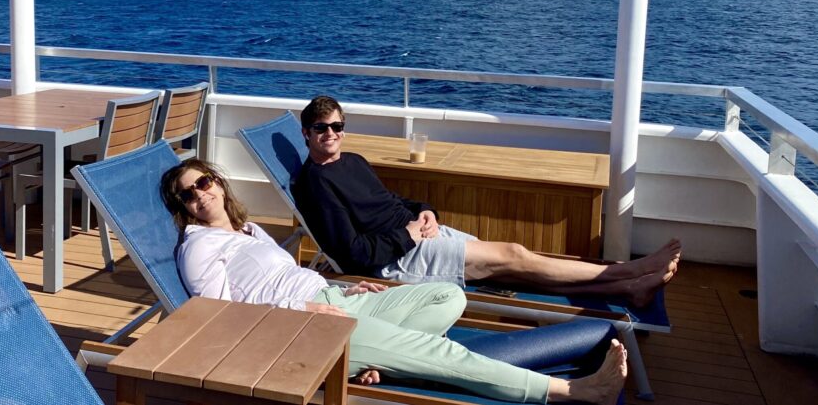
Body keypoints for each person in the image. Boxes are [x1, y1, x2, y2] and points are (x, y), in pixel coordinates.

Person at [162, 157, 628, 405]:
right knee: (443, 353)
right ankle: (576, 391)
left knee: (447, 294)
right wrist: (303, 314)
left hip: (331, 299)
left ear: (218, 182)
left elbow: (289, 276)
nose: (200, 195)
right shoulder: (200, 246)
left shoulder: (247, 229)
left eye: (204, 183)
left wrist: (343, 289)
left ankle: (385, 360)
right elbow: (220, 318)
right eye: (188, 194)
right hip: (301, 331)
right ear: (182, 208)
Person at [293, 95, 681, 306]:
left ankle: (627, 290)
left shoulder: (355, 161)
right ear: (307, 133)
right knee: (515, 254)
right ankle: (628, 272)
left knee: (508, 268)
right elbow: (356, 253)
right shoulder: (316, 184)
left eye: (338, 126)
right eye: (321, 128)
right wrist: (410, 235)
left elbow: (396, 200)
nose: (331, 133)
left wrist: (425, 212)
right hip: (398, 260)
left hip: (419, 235)